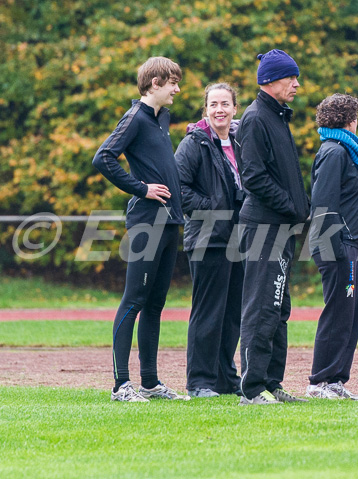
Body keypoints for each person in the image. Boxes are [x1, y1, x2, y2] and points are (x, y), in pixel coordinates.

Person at [92, 56, 189, 402]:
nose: (178, 89)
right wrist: (141, 188)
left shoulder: (162, 118)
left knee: (155, 304)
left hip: (169, 222)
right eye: (173, 82)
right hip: (147, 221)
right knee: (134, 300)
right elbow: (103, 157)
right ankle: (121, 385)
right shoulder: (135, 117)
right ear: (155, 83)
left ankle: (150, 382)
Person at [236, 49, 310, 405]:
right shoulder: (255, 118)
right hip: (264, 226)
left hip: (281, 227)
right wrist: (293, 208)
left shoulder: (278, 117)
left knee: (279, 307)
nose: (296, 84)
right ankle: (251, 390)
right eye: (290, 77)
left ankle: (272, 383)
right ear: (269, 81)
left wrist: (299, 209)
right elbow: (253, 177)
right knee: (261, 306)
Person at [175, 83, 244, 398]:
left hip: (239, 238)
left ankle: (225, 377)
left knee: (232, 313)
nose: (220, 110)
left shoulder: (241, 141)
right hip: (208, 238)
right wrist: (215, 209)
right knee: (208, 312)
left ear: (234, 108)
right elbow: (178, 188)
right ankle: (200, 382)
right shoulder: (194, 143)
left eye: (225, 104)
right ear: (205, 109)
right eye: (214, 104)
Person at [305, 94, 358, 401]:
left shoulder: (343, 151)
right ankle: (319, 382)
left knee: (349, 313)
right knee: (337, 312)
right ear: (349, 120)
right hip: (337, 246)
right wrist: (338, 245)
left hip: (348, 244)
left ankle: (336, 381)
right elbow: (324, 204)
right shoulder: (334, 152)